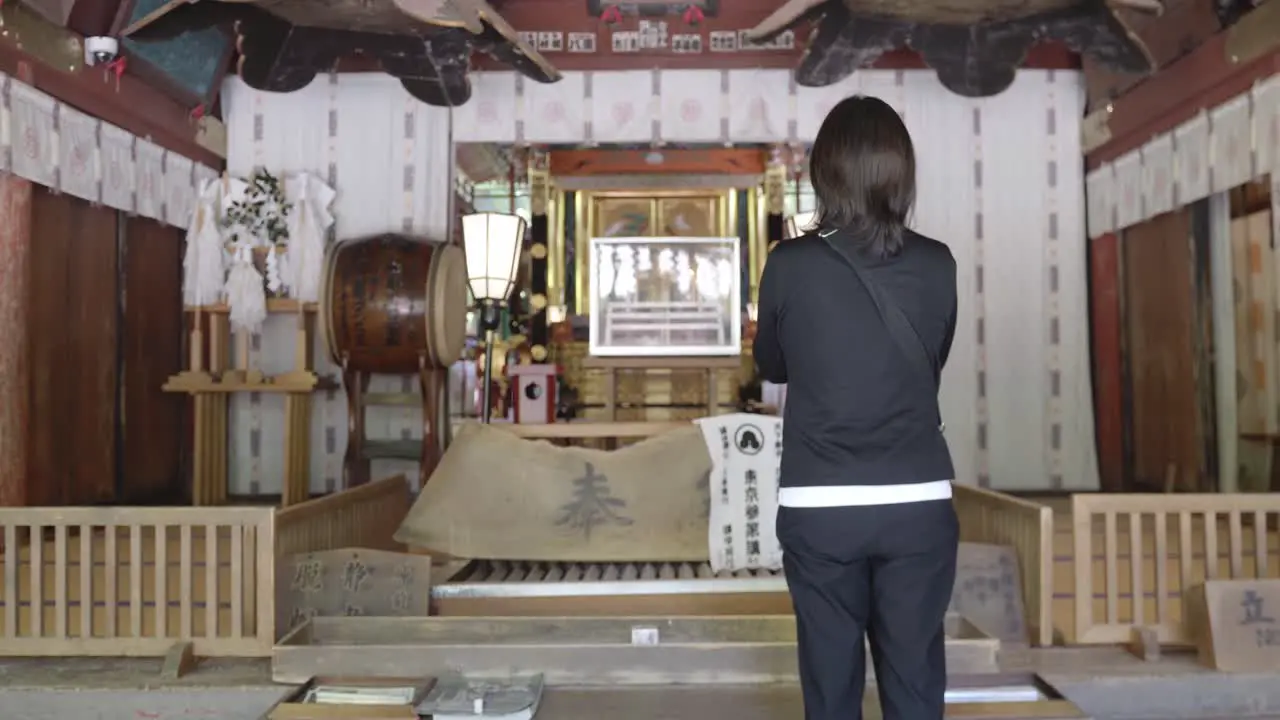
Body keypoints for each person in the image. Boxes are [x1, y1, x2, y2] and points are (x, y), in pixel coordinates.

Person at [753, 95, 959, 720]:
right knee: (916, 678)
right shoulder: (937, 262)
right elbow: (932, 365)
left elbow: (772, 367)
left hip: (821, 505)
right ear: (901, 171)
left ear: (826, 173)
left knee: (830, 679)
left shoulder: (789, 263)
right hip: (917, 500)